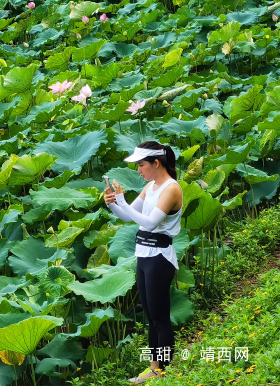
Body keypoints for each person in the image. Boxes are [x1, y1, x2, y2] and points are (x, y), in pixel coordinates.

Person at [103, 141, 183, 383]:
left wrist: (123, 201)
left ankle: (164, 371)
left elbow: (150, 223)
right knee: (150, 316)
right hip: (144, 256)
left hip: (160, 258)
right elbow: (129, 217)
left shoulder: (171, 189)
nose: (138, 170)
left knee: (160, 317)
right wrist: (113, 204)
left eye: (141, 165)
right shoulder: (150, 187)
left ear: (156, 163)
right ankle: (154, 368)